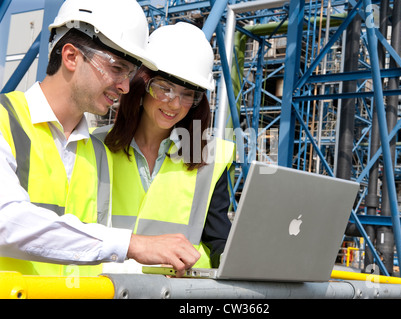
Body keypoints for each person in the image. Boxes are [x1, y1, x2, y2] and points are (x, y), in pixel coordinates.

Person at [0, 0, 200, 277]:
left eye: (129, 74)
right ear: (71, 56)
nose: (126, 87)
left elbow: (97, 254)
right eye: (117, 68)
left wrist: (161, 269)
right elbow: (7, 222)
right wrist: (132, 243)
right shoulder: (4, 120)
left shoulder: (97, 152)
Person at [98, 22, 234, 270]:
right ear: (142, 86)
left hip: (178, 290)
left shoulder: (211, 157)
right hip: (107, 288)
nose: (174, 104)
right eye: (164, 88)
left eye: (187, 94)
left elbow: (218, 239)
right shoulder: (96, 146)